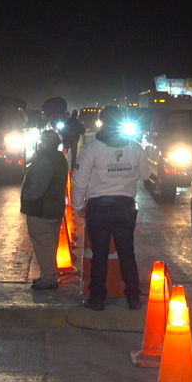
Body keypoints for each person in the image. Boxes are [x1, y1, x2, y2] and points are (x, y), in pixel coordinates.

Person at [71, 105, 151, 310]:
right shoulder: (135, 147)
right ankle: (133, 297)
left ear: (102, 121)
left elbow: (79, 182)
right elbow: (145, 175)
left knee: (99, 254)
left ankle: (97, 298)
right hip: (125, 206)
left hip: (99, 207)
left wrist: (78, 206)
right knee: (127, 252)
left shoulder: (92, 149)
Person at [21, 129, 69, 290]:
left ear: (46, 143)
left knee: (44, 245)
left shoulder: (45, 161)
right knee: (50, 244)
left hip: (41, 210)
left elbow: (37, 189)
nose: (39, 144)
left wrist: (27, 197)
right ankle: (49, 275)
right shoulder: (60, 158)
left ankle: (49, 278)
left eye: (42, 141)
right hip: (54, 209)